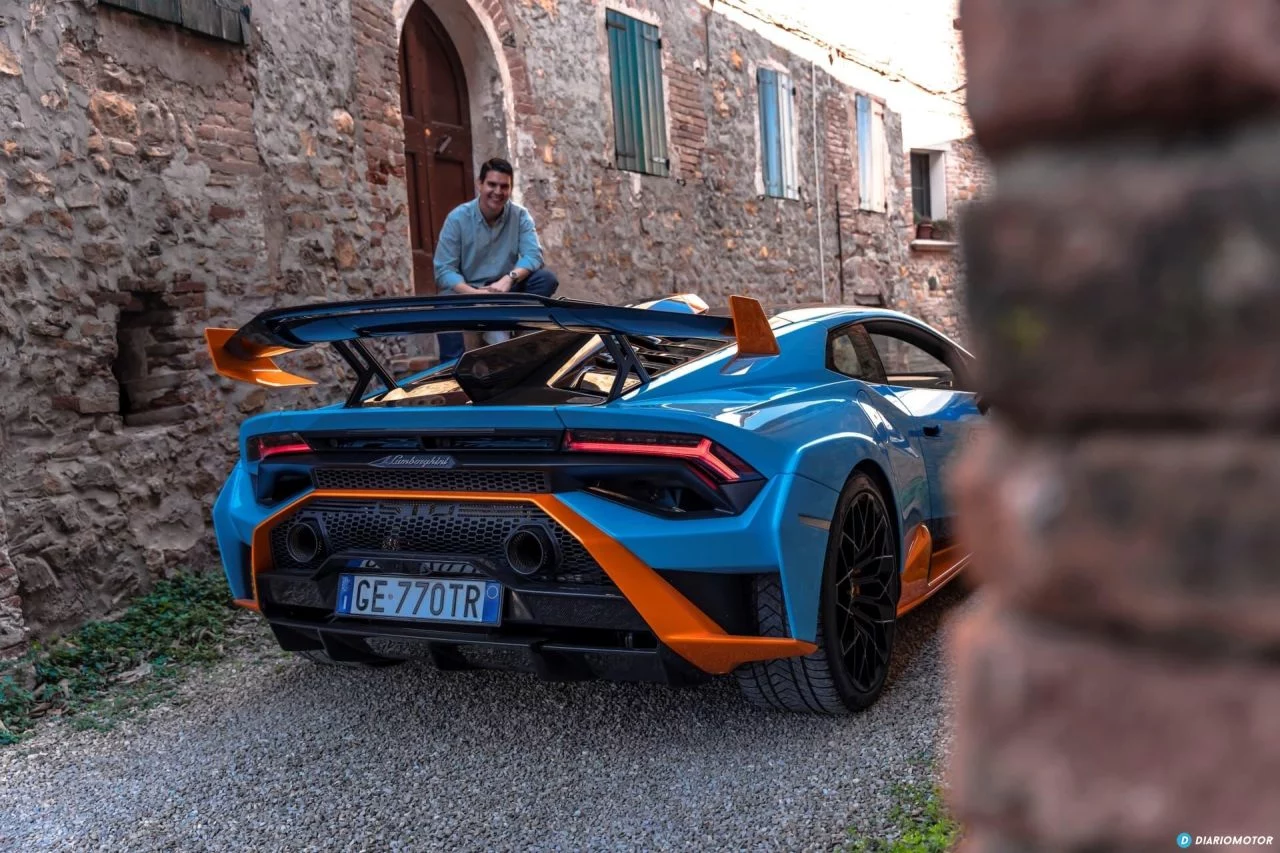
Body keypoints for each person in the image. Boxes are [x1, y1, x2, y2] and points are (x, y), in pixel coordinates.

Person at [432, 157, 559, 362]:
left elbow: (533, 255)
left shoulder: (520, 216)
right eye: (492, 184)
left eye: (504, 186)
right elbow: (444, 270)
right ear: (480, 184)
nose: (498, 192)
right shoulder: (457, 219)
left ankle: (521, 334)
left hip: (505, 291)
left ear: (510, 188)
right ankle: (451, 369)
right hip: (469, 293)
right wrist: (473, 293)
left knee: (545, 279)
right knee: (443, 306)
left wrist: (508, 279)